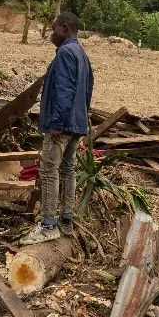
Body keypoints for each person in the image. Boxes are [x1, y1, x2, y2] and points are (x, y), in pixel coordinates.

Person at [19, 12, 94, 245]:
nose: (52, 34)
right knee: (68, 169)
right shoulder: (81, 54)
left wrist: (56, 123)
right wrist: (80, 119)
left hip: (62, 124)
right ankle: (66, 220)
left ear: (65, 27)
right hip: (77, 123)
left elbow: (63, 90)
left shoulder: (65, 53)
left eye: (54, 29)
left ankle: (48, 225)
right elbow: (87, 91)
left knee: (49, 170)